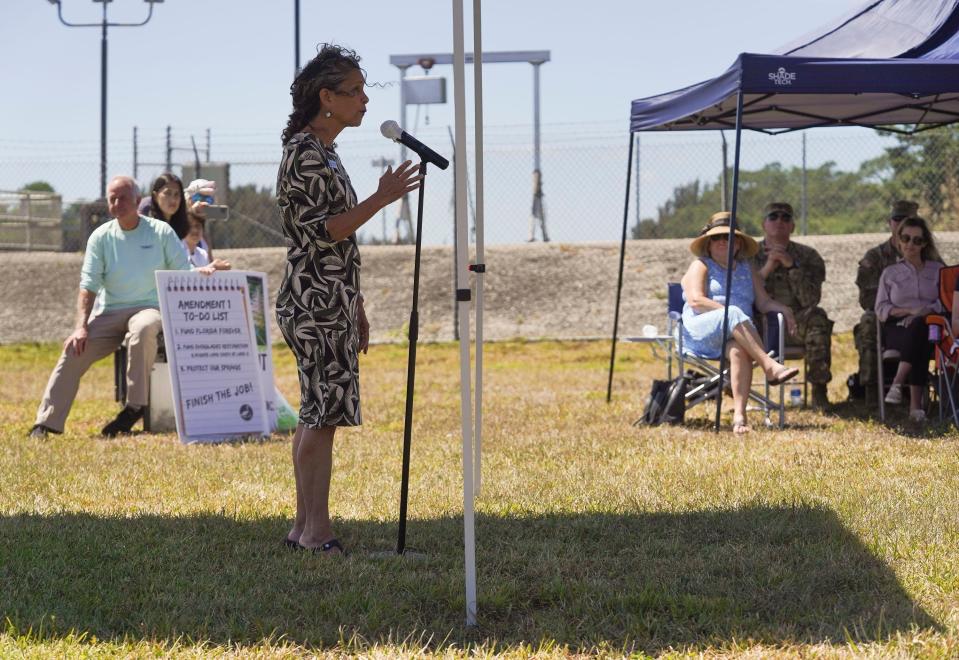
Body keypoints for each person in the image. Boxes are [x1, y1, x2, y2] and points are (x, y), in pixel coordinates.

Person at [275, 44, 420, 554]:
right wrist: (380, 198)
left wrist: (354, 306)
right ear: (326, 98)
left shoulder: (324, 151)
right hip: (313, 299)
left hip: (329, 297)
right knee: (323, 414)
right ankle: (316, 532)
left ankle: (303, 527)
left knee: (319, 410)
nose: (364, 101)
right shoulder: (306, 153)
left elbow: (338, 243)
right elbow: (326, 230)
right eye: (354, 92)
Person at [28, 176, 227, 439]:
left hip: (149, 307)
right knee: (73, 350)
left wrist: (204, 270)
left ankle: (134, 407)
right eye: (112, 199)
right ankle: (45, 422)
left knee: (143, 328)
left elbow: (182, 271)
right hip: (110, 312)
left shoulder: (160, 232)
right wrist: (80, 328)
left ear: (137, 200)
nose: (117, 203)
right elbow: (88, 285)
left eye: (122, 198)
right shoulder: (100, 237)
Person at [681, 212, 799, 434]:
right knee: (735, 312)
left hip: (736, 334)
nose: (724, 241)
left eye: (729, 237)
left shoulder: (747, 268)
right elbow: (695, 300)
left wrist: (784, 309)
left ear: (738, 244)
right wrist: (730, 313)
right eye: (717, 238)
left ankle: (739, 418)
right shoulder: (701, 265)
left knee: (738, 352)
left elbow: (763, 302)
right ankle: (770, 366)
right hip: (702, 332)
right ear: (708, 243)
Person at [752, 202, 834, 409]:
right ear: (764, 224)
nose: (779, 221)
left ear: (792, 226)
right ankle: (735, 389)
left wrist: (792, 266)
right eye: (773, 217)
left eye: (785, 218)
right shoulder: (748, 255)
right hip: (759, 325)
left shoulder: (808, 256)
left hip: (795, 324)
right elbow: (745, 295)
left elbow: (811, 299)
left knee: (817, 317)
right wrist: (769, 266)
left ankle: (819, 391)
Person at [875, 216, 944, 423]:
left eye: (917, 240)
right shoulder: (890, 273)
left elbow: (948, 301)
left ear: (924, 244)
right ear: (898, 241)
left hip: (932, 326)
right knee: (919, 335)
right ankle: (916, 407)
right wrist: (908, 310)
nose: (910, 244)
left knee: (920, 328)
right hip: (898, 328)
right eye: (906, 238)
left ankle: (898, 382)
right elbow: (880, 308)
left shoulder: (938, 270)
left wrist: (925, 311)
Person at [854, 200, 919, 400]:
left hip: (919, 316)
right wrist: (899, 308)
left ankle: (924, 387)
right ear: (889, 222)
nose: (901, 224)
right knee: (868, 320)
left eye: (907, 220)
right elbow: (867, 299)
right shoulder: (875, 257)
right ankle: (872, 391)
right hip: (886, 317)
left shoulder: (926, 253)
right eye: (897, 219)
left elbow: (940, 289)